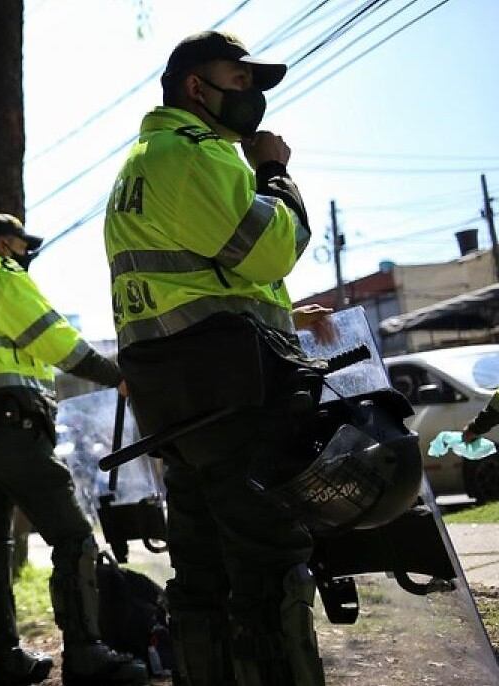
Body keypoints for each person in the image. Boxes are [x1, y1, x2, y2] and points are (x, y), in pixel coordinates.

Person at [103, 30, 331, 685]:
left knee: (202, 573)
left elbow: (196, 284)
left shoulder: (141, 164)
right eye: (240, 81)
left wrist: (286, 314)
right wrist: (274, 171)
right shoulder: (195, 152)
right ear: (195, 88)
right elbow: (271, 249)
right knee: (268, 563)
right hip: (234, 394)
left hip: (180, 403)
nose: (251, 96)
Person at [0, 213, 148, 686]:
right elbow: (57, 342)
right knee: (73, 536)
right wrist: (117, 376)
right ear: (5, 244)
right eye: (23, 246)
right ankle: (86, 652)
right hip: (13, 424)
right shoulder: (2, 280)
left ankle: (4, 660)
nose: (27, 255)